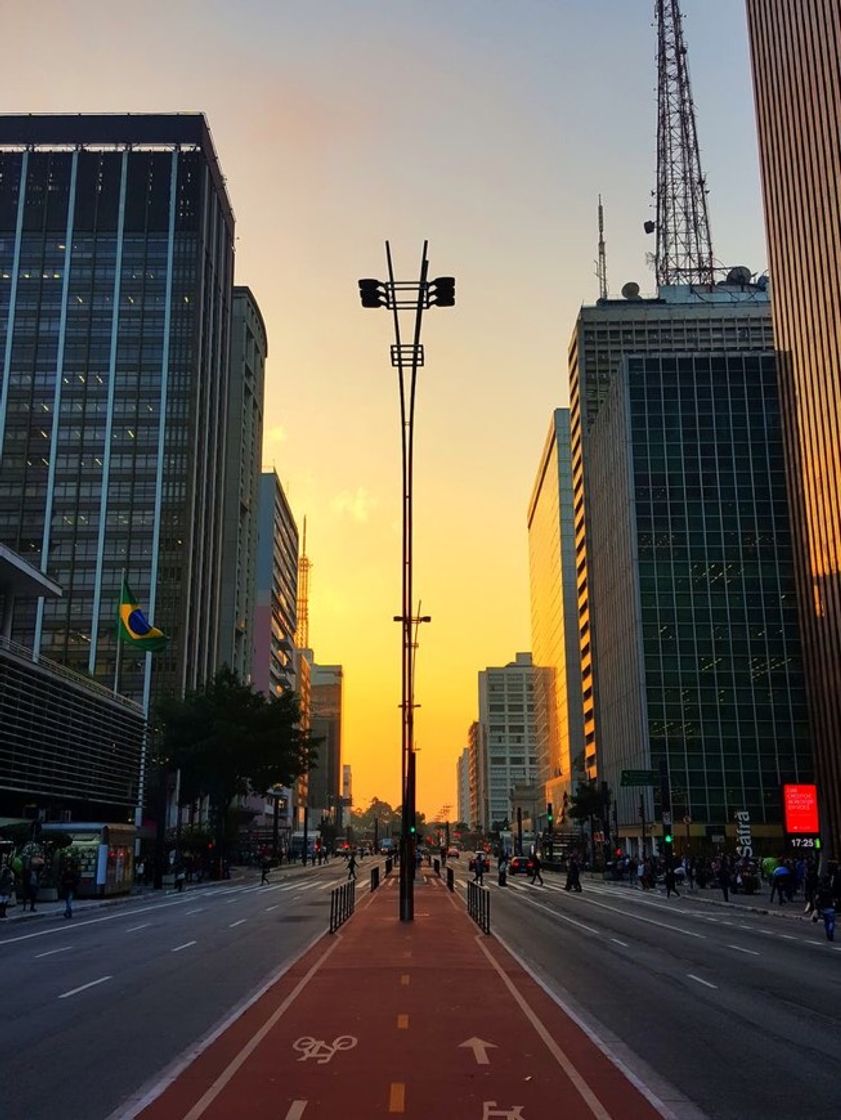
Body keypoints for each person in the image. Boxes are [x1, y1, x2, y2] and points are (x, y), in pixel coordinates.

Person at [815, 873, 836, 942]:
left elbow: (817, 899)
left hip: (823, 907)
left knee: (826, 922)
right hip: (830, 907)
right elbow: (834, 898)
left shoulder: (820, 889)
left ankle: (828, 933)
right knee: (831, 921)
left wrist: (816, 908)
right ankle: (830, 932)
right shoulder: (831, 889)